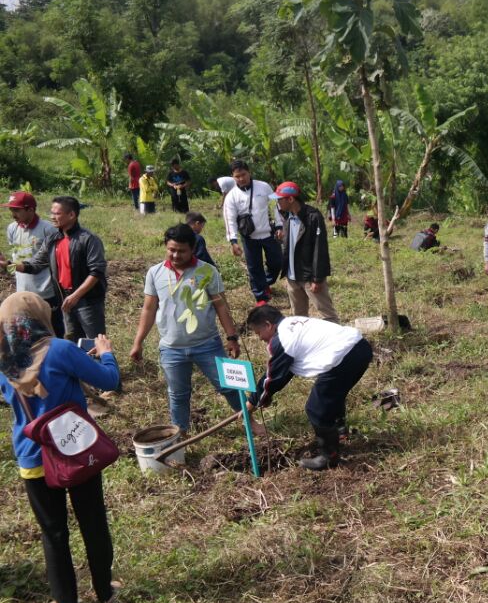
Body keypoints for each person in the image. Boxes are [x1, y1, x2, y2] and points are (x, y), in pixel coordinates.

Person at [0, 292, 120, 603]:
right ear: (40, 317)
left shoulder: (4, 360)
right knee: (93, 521)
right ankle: (105, 592)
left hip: (32, 458)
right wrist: (106, 355)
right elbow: (109, 380)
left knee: (53, 533)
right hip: (75, 451)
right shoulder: (61, 350)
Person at [128, 224, 244, 435]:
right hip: (171, 348)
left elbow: (221, 306)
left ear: (192, 249)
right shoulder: (155, 273)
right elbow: (149, 309)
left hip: (207, 344)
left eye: (181, 251)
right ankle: (181, 435)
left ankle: (248, 421)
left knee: (228, 386)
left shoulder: (207, 271)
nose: (175, 255)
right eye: (171, 249)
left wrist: (232, 337)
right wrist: (138, 342)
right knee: (178, 395)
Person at [243, 306, 373, 471]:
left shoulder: (283, 339)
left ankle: (329, 456)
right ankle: (339, 430)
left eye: (258, 333)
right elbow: (284, 371)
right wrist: (264, 397)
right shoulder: (293, 323)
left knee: (316, 408)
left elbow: (274, 377)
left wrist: (253, 403)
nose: (260, 338)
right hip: (360, 347)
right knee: (333, 394)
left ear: (268, 325)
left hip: (344, 357)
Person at [13, 197, 108, 340]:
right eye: (51, 213)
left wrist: (75, 296)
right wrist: (9, 265)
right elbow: (35, 264)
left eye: (57, 213)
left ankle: (103, 363)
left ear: (71, 215)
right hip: (65, 300)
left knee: (95, 343)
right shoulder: (53, 239)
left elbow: (97, 271)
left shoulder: (88, 239)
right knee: (73, 341)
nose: (52, 217)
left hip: (87, 301)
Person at [273, 181, 339, 322]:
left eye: (279, 199)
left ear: (290, 199)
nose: (277, 203)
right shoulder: (286, 217)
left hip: (309, 277)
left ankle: (338, 341)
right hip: (292, 276)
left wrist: (317, 278)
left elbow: (319, 249)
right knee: (298, 318)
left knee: (327, 315)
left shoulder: (312, 217)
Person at [2, 191, 64, 338]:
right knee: (27, 334)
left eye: (16, 210)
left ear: (30, 209)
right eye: (11, 209)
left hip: (45, 292)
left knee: (53, 331)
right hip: (22, 291)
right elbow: (15, 257)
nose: (13, 214)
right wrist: (6, 265)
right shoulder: (12, 228)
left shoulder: (48, 229)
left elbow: (50, 261)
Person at [222, 161, 282, 307]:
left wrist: (280, 225)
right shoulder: (231, 196)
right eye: (237, 176)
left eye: (243, 174)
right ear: (233, 177)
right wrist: (233, 241)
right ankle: (260, 296)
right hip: (249, 237)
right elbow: (229, 219)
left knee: (277, 262)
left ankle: (266, 282)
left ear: (249, 172)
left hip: (269, 233)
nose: (241, 178)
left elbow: (276, 206)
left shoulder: (264, 186)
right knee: (254, 267)